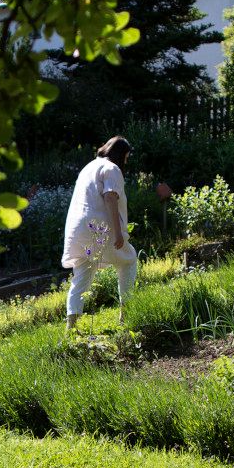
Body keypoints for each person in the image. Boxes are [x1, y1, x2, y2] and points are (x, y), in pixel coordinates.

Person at [61, 136, 137, 332]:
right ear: (121, 155)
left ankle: (72, 329)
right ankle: (126, 315)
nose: (126, 162)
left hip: (78, 229)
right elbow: (110, 198)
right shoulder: (112, 169)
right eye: (126, 157)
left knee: (82, 275)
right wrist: (119, 233)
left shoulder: (88, 167)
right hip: (101, 227)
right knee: (128, 260)